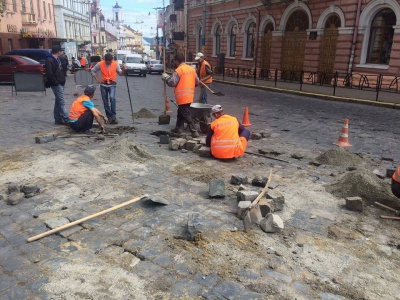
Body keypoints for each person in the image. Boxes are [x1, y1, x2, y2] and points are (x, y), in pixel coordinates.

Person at [162, 53, 200, 138]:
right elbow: (197, 82)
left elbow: (172, 82)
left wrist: (166, 78)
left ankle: (194, 131)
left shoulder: (179, 70)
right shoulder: (191, 69)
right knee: (180, 112)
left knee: (185, 113)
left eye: (175, 61)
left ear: (177, 61)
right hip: (190, 95)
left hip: (182, 96)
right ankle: (178, 129)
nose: (174, 63)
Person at [91, 53, 125, 124]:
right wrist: (98, 79)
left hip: (112, 84)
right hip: (103, 85)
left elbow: (120, 73)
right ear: (105, 60)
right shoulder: (100, 64)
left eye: (110, 61)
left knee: (112, 98)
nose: (109, 63)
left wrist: (124, 70)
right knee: (105, 101)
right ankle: (109, 116)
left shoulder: (115, 64)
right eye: (107, 61)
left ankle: (113, 115)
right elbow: (92, 70)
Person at [45, 45, 69, 125]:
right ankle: (66, 119)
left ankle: (58, 118)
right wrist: (56, 82)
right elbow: (49, 73)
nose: (61, 53)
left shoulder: (57, 59)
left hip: (60, 82)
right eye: (61, 51)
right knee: (61, 101)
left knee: (58, 101)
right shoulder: (49, 59)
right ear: (58, 52)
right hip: (56, 83)